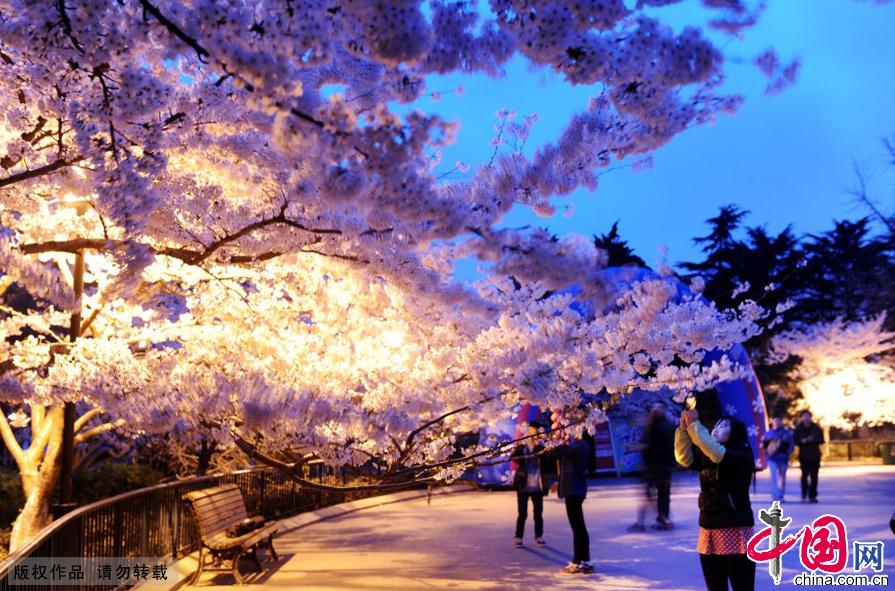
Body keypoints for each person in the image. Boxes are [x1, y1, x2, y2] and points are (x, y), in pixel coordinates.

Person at [676, 410, 756, 591]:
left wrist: (695, 425)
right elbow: (684, 458)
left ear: (734, 433)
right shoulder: (708, 453)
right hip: (709, 527)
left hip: (735, 528)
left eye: (724, 425)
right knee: (715, 586)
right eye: (717, 425)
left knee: (742, 586)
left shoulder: (741, 453)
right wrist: (683, 430)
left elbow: (717, 454)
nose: (717, 428)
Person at [628, 402, 676, 531]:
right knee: (656, 495)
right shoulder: (653, 424)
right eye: (654, 407)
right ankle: (661, 520)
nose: (655, 409)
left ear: (664, 410)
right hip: (655, 466)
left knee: (657, 495)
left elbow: (656, 446)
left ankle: (658, 521)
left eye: (658, 407)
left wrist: (639, 447)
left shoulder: (664, 426)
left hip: (660, 466)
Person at [552, 426, 594, 575]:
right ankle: (585, 561)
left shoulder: (579, 445)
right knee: (579, 527)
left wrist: (557, 439)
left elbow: (560, 451)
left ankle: (577, 562)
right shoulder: (580, 445)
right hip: (575, 488)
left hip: (573, 489)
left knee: (577, 527)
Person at [510, 422, 551, 547]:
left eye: (535, 433)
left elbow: (549, 460)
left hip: (537, 484)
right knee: (522, 513)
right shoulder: (522, 447)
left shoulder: (541, 447)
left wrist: (543, 448)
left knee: (538, 513)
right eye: (531, 433)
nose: (534, 435)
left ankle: (539, 536)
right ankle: (518, 537)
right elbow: (513, 456)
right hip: (524, 483)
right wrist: (523, 451)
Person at [793, 410, 824, 503]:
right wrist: (802, 441)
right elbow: (795, 441)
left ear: (811, 417)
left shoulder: (816, 428)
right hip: (804, 455)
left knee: (814, 476)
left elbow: (822, 440)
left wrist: (813, 439)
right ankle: (804, 493)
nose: (806, 418)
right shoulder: (798, 429)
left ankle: (813, 495)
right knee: (804, 476)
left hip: (815, 455)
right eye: (804, 416)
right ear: (802, 418)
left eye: (808, 416)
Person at [761, 416, 794, 502]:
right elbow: (764, 445)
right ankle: (775, 496)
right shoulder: (768, 433)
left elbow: (791, 445)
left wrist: (787, 454)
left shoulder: (786, 433)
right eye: (775, 422)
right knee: (773, 477)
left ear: (780, 422)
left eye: (778, 421)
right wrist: (767, 454)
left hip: (783, 458)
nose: (776, 423)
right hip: (772, 458)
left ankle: (780, 495)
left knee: (782, 477)